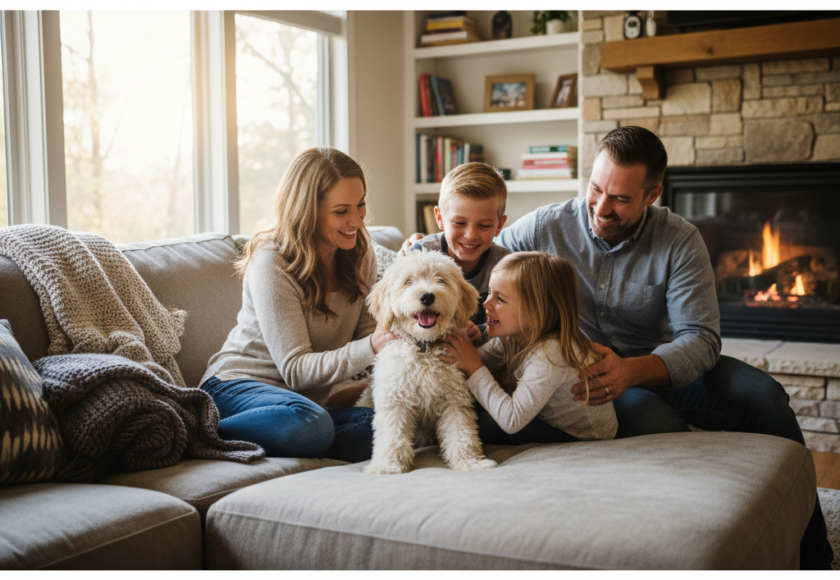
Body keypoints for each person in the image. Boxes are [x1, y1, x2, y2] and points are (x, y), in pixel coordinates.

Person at [496, 125, 833, 569]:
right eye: (596, 189)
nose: (601, 206)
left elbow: (701, 339)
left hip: (662, 364)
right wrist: (427, 248)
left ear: (652, 194)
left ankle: (814, 556)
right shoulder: (547, 225)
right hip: (590, 378)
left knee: (764, 396)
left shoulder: (680, 239)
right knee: (655, 419)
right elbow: (484, 257)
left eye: (620, 199)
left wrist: (632, 371)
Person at [199, 147, 397, 464]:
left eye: (361, 205)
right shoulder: (272, 261)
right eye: (341, 211)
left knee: (381, 432)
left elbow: (370, 335)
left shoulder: (361, 252)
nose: (357, 221)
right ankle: (197, 429)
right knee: (310, 425)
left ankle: (306, 436)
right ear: (307, 211)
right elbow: (295, 371)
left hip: (304, 404)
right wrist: (374, 345)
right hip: (237, 389)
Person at [439, 252, 617, 445]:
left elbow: (511, 421)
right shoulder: (512, 335)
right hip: (545, 414)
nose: (486, 304)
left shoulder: (550, 354)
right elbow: (475, 360)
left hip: (582, 435)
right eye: (490, 292)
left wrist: (474, 367)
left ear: (535, 313)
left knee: (487, 425)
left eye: (500, 299)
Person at [409, 162, 510, 342]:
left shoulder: (504, 264)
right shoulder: (421, 253)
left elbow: (512, 319)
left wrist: (483, 332)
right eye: (459, 223)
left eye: (484, 225)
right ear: (439, 218)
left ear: (499, 226)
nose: (470, 235)